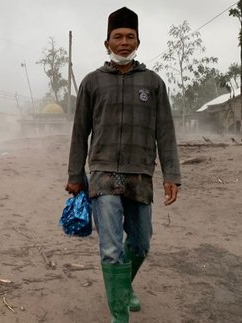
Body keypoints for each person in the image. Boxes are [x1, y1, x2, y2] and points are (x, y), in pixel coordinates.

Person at [65, 7, 181, 323]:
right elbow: (79, 132)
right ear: (107, 43)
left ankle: (124, 285)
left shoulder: (153, 83)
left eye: (130, 37)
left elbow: (166, 132)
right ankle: (119, 316)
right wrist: (75, 174)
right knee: (111, 248)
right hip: (102, 173)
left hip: (140, 172)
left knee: (141, 243)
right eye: (118, 37)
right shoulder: (92, 83)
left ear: (138, 41)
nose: (124, 42)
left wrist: (172, 173)